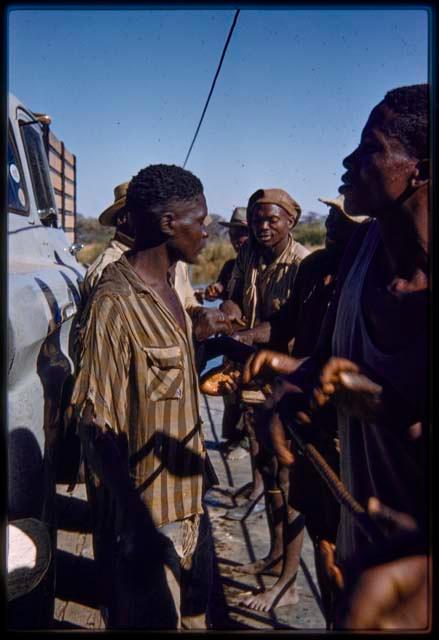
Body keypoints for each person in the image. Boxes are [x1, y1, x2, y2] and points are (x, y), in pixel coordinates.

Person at [241, 84, 429, 629]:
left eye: (369, 148)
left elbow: (383, 400)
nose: (348, 161)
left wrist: (382, 404)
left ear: (419, 170)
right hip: (360, 555)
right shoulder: (361, 258)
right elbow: (324, 365)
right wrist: (289, 389)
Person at [70, 164, 218, 629]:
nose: (208, 230)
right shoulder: (114, 303)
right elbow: (95, 427)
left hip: (189, 505)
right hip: (149, 521)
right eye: (200, 219)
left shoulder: (171, 289)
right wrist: (137, 525)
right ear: (168, 223)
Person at [237, 196, 368, 615]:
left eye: (341, 219)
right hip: (306, 409)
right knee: (312, 517)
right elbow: (291, 326)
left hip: (350, 425)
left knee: (349, 543)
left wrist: (292, 366)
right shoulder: (315, 270)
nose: (330, 223)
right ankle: (292, 584)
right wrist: (244, 337)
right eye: (330, 216)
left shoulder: (374, 274)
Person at [219, 188, 309, 588]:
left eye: (272, 219)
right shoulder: (249, 255)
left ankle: (287, 580)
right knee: (267, 469)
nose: (264, 227)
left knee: (288, 477)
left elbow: (293, 325)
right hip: (252, 375)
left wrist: (252, 335)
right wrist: (230, 311)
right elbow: (234, 299)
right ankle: (274, 555)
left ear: (290, 221)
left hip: (286, 379)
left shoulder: (303, 263)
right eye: (258, 220)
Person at [82, 180, 233, 344]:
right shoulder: (107, 270)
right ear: (123, 218)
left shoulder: (172, 259)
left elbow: (187, 301)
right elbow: (120, 344)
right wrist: (192, 334)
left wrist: (201, 314)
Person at [205, 207, 249, 458]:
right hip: (231, 340)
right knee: (228, 390)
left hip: (249, 339)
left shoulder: (260, 262)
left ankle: (244, 443)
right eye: (233, 234)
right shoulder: (231, 265)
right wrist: (215, 290)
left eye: (242, 233)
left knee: (248, 394)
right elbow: (223, 289)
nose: (237, 239)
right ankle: (232, 437)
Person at [205, 207, 249, 302]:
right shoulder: (230, 267)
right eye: (231, 235)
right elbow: (220, 290)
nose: (235, 241)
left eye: (240, 234)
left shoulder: (263, 267)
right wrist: (213, 292)